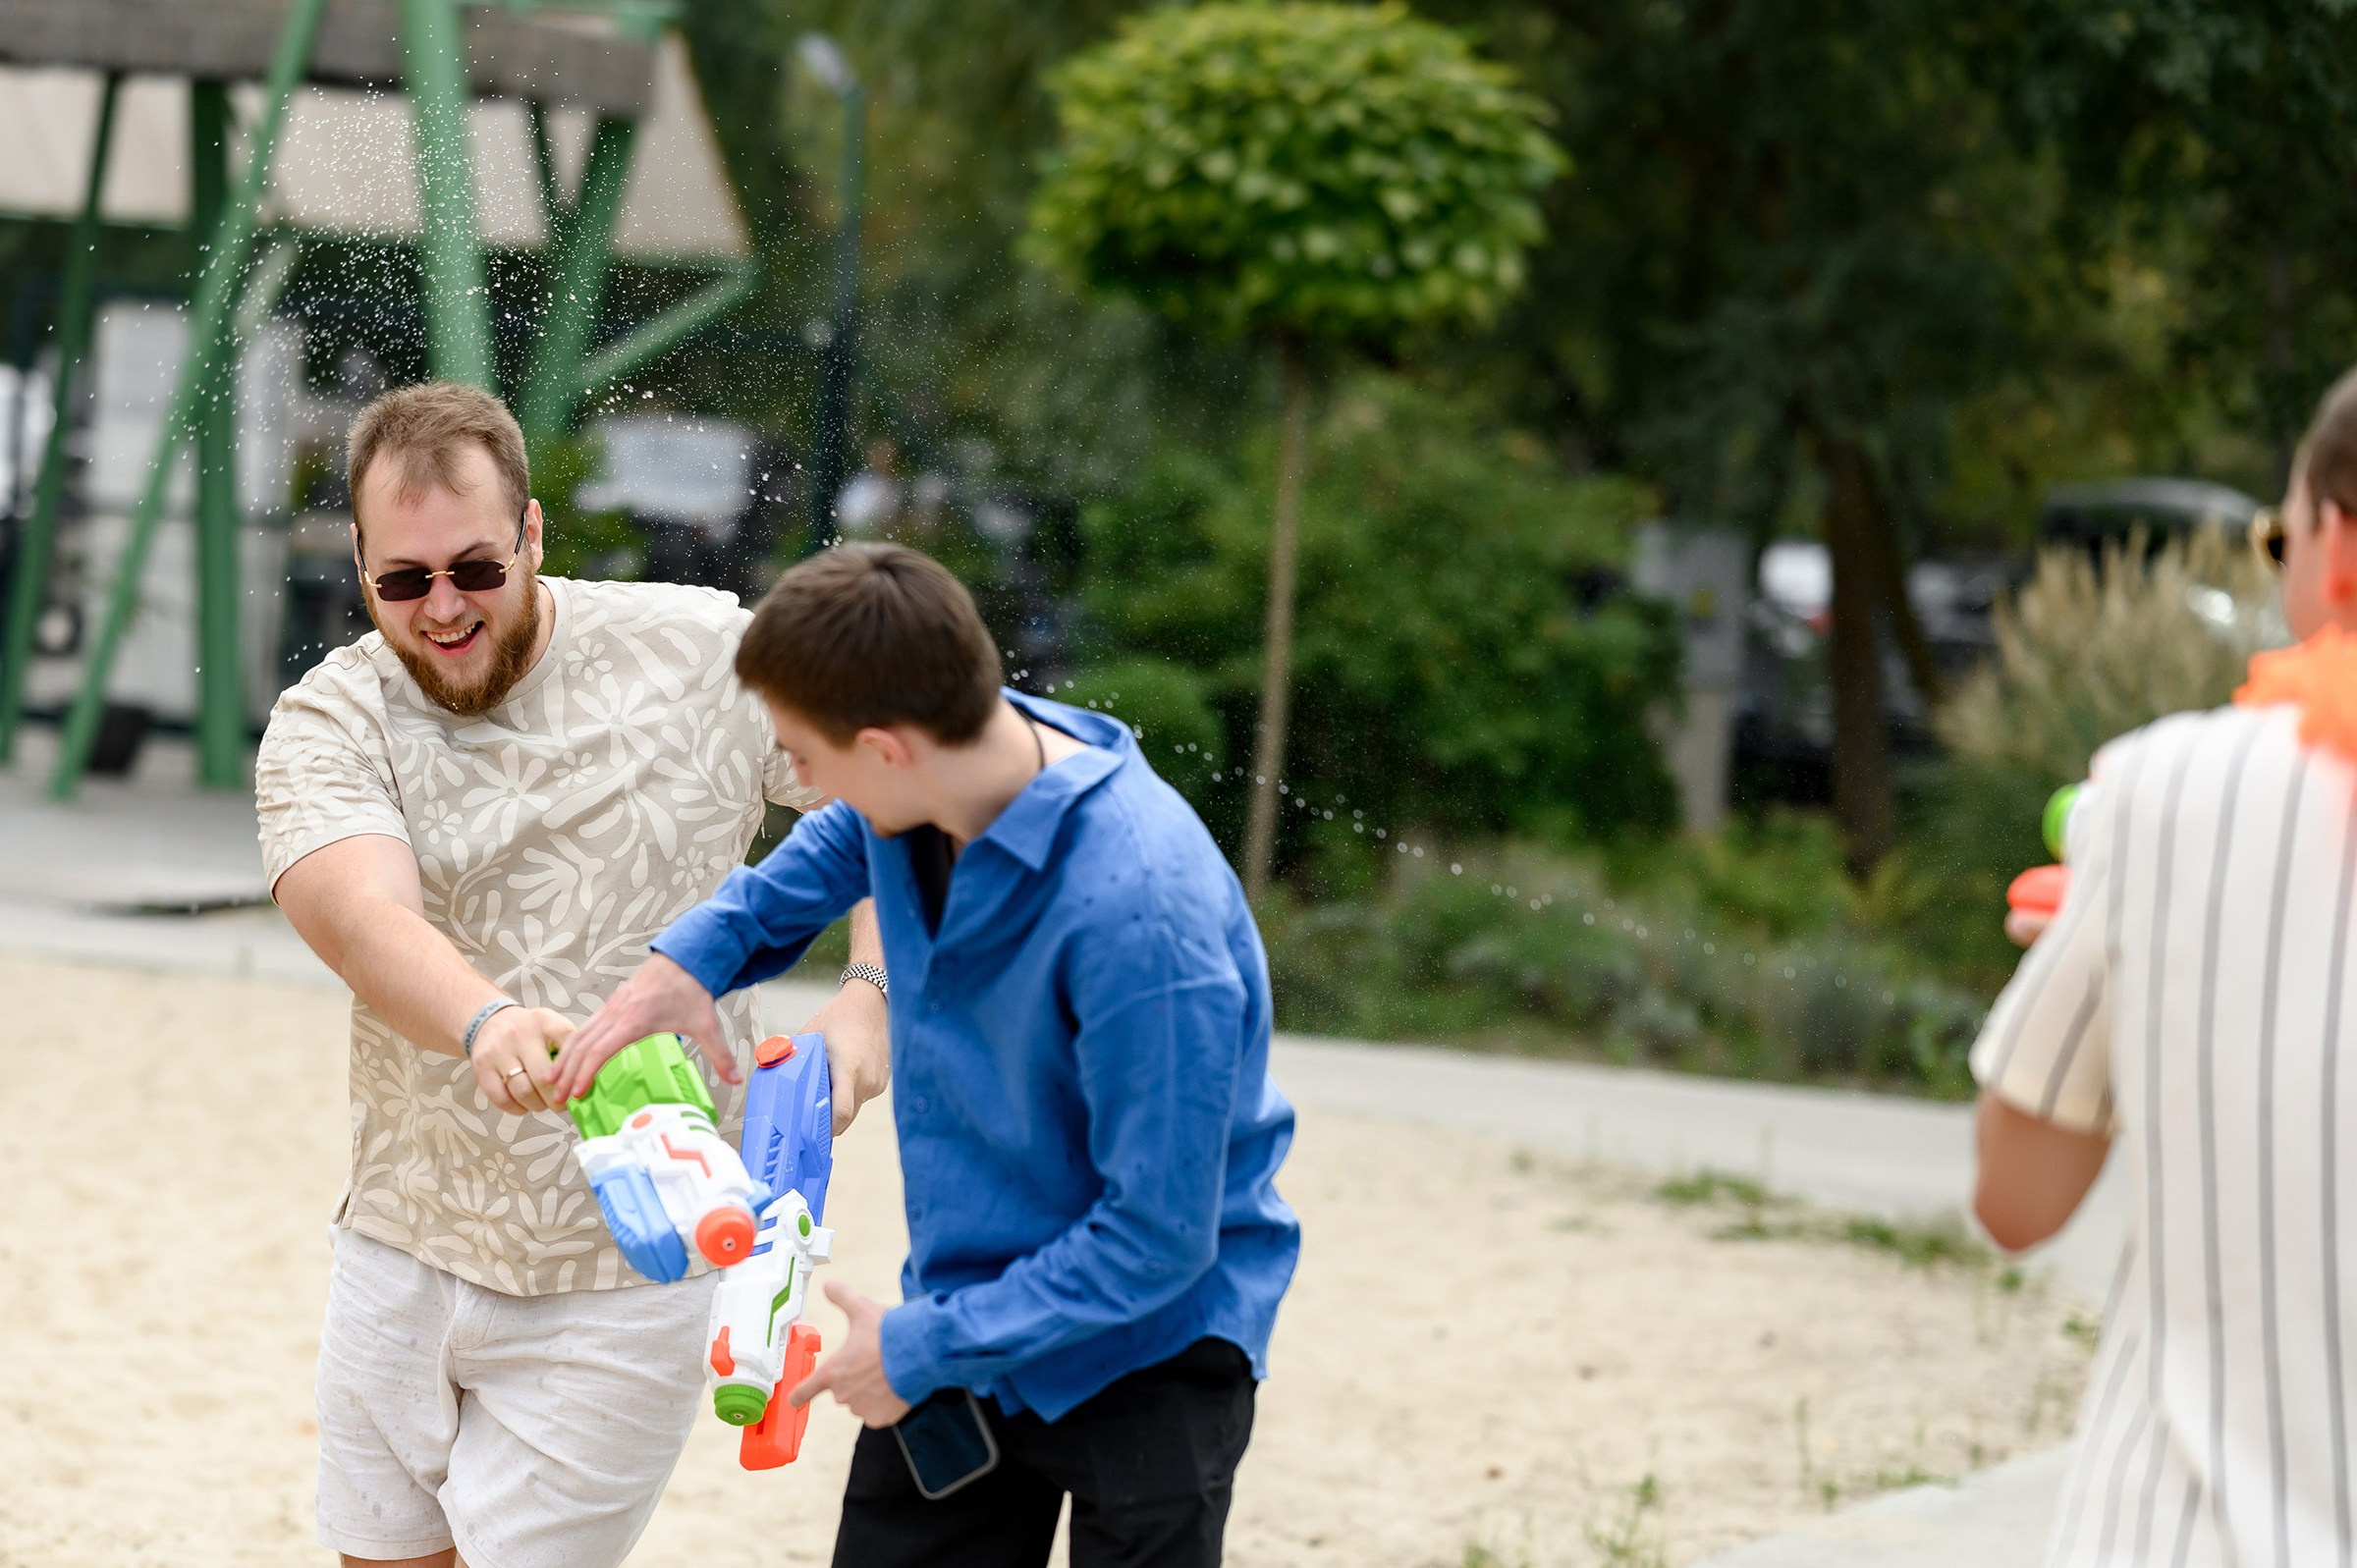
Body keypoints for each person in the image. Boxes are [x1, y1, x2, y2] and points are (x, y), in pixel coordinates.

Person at [554, 542, 1300, 1568]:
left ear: (887, 746)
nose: (797, 785)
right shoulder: (924, 789)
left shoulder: (1143, 918)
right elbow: (811, 865)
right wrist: (685, 968)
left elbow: (1157, 1237)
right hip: (963, 1304)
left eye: (805, 760)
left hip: (1153, 1345)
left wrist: (916, 1347)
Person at [256, 381, 893, 1568]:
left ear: (534, 535)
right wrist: (482, 1018)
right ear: (359, 560)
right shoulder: (332, 713)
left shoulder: (706, 652)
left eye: (476, 569)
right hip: (401, 1233)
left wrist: (868, 1003)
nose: (442, 608)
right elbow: (356, 912)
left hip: (631, 1262)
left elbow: (901, 797)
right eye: (403, 581)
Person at [1971, 367, 2357, 1566]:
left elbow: (2017, 1199)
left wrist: (2133, 947)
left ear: (2337, 538)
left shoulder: (2163, 793)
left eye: (2278, 533)